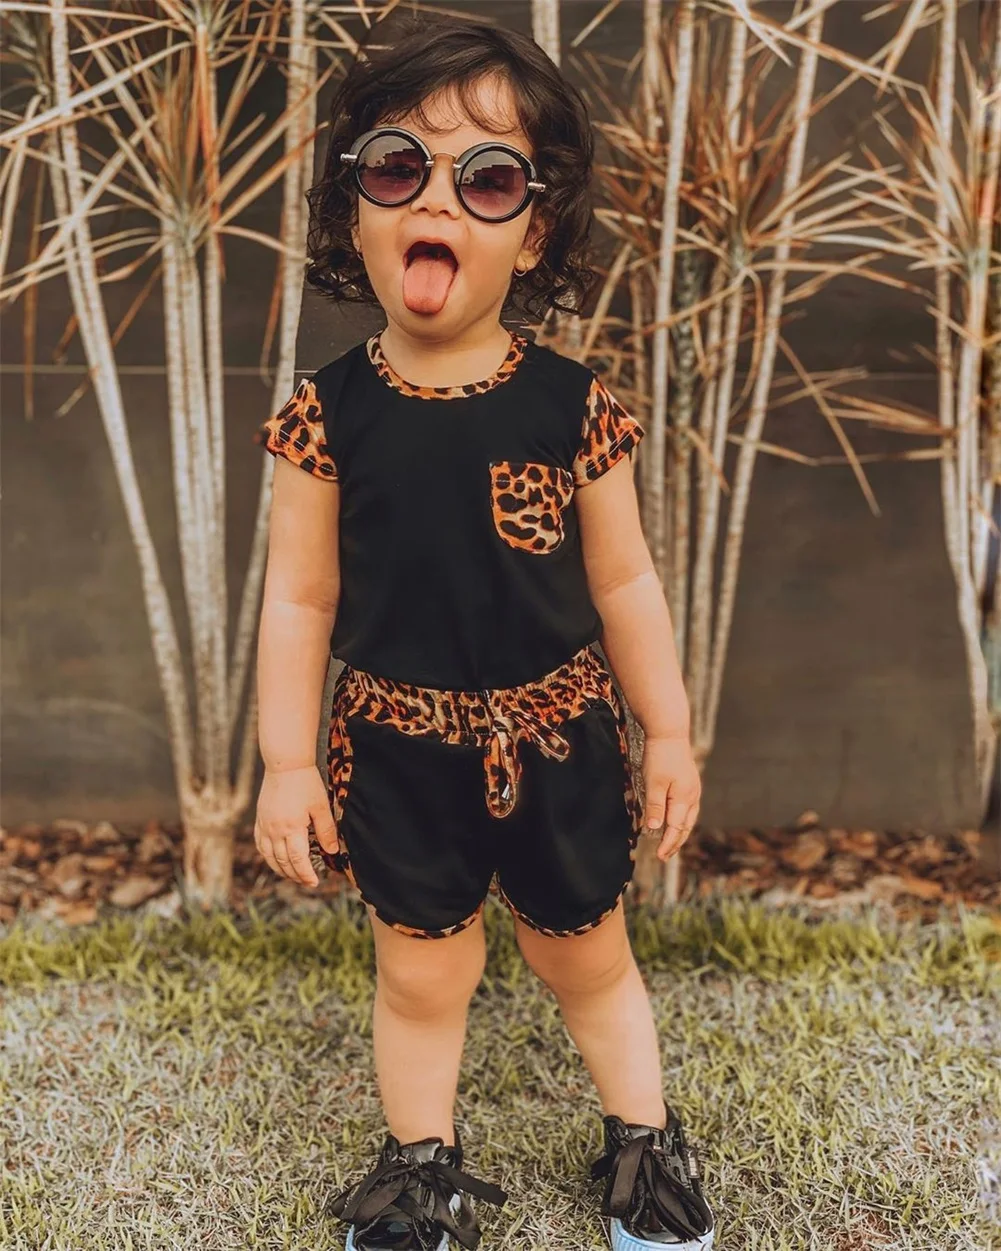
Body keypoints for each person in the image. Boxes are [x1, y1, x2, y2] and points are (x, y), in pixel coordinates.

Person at [253, 13, 715, 1251]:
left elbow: (625, 584)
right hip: (395, 747)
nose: (435, 200)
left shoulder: (572, 407)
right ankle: (421, 1172)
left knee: (587, 957)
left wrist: (668, 730)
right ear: (353, 210)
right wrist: (288, 763)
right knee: (421, 972)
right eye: (397, 167)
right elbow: (298, 600)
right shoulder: (323, 417)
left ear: (535, 229)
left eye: (488, 179)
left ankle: (643, 1149)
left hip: (561, 742)